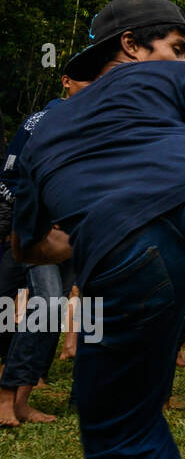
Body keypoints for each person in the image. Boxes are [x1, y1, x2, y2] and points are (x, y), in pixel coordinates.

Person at [0, 71, 91, 426]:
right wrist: (32, 214)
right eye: (88, 79)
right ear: (67, 82)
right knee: (49, 301)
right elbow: (9, 176)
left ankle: (22, 400)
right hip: (37, 233)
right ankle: (5, 396)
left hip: (74, 234)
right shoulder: (42, 120)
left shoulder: (98, 125)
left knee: (52, 313)